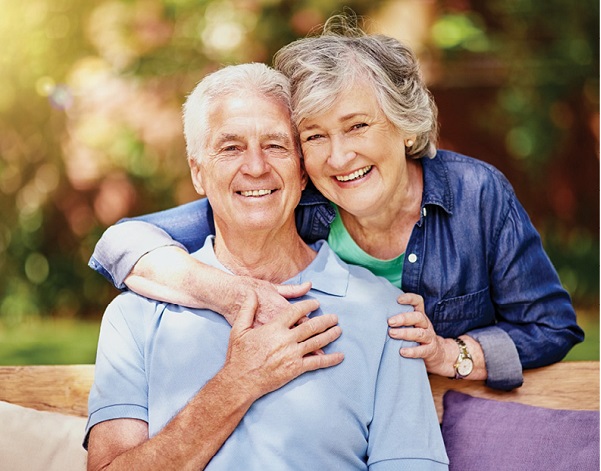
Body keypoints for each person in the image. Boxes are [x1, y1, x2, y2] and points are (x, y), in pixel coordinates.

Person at [89, 16, 583, 391]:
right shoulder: (294, 201)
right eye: (315, 135)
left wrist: (451, 353)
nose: (340, 157)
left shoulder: (476, 195)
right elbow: (124, 241)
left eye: (358, 126)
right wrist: (237, 294)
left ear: (403, 123)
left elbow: (550, 327)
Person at [85, 62, 449, 470]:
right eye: (231, 147)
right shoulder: (133, 316)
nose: (256, 167)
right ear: (198, 173)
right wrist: (237, 383)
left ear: (302, 169)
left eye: (275, 145)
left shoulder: (385, 313)